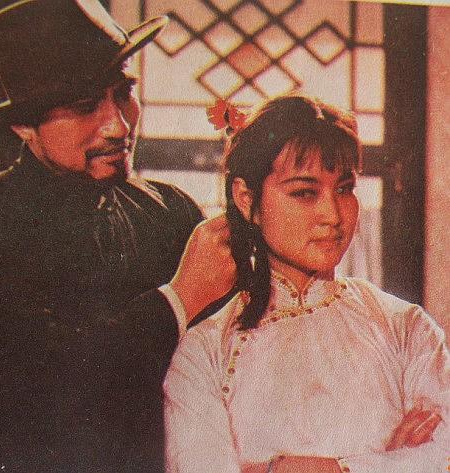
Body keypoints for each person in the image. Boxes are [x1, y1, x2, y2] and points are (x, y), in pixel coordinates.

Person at [0, 1, 235, 472]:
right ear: (23, 125)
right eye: (84, 107)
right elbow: (45, 390)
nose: (119, 125)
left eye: (124, 93)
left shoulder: (168, 211)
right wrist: (179, 300)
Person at [164, 95, 450, 473]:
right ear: (246, 199)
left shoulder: (406, 328)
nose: (332, 215)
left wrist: (307, 469)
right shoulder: (205, 351)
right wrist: (386, 463)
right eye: (304, 192)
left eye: (344, 188)